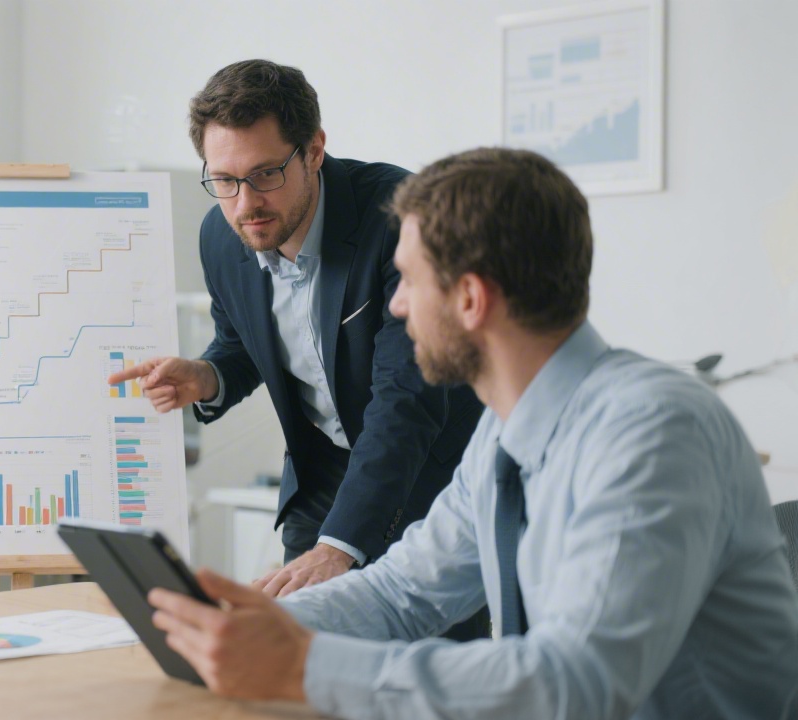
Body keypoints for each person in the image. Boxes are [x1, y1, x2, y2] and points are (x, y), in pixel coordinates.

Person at [148, 147, 798, 719]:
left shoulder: (653, 433)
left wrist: (303, 666)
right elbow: (402, 593)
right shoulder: (503, 437)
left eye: (408, 280)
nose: (396, 304)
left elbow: (577, 687)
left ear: (470, 299)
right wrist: (247, 625)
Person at [107, 59, 483, 601]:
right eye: (224, 180)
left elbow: (405, 398)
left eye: (265, 174)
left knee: (432, 647)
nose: (245, 204)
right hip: (320, 477)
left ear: (313, 150)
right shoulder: (222, 236)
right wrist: (208, 376)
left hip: (427, 474)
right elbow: (241, 344)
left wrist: (338, 547)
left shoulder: (399, 217)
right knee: (292, 638)